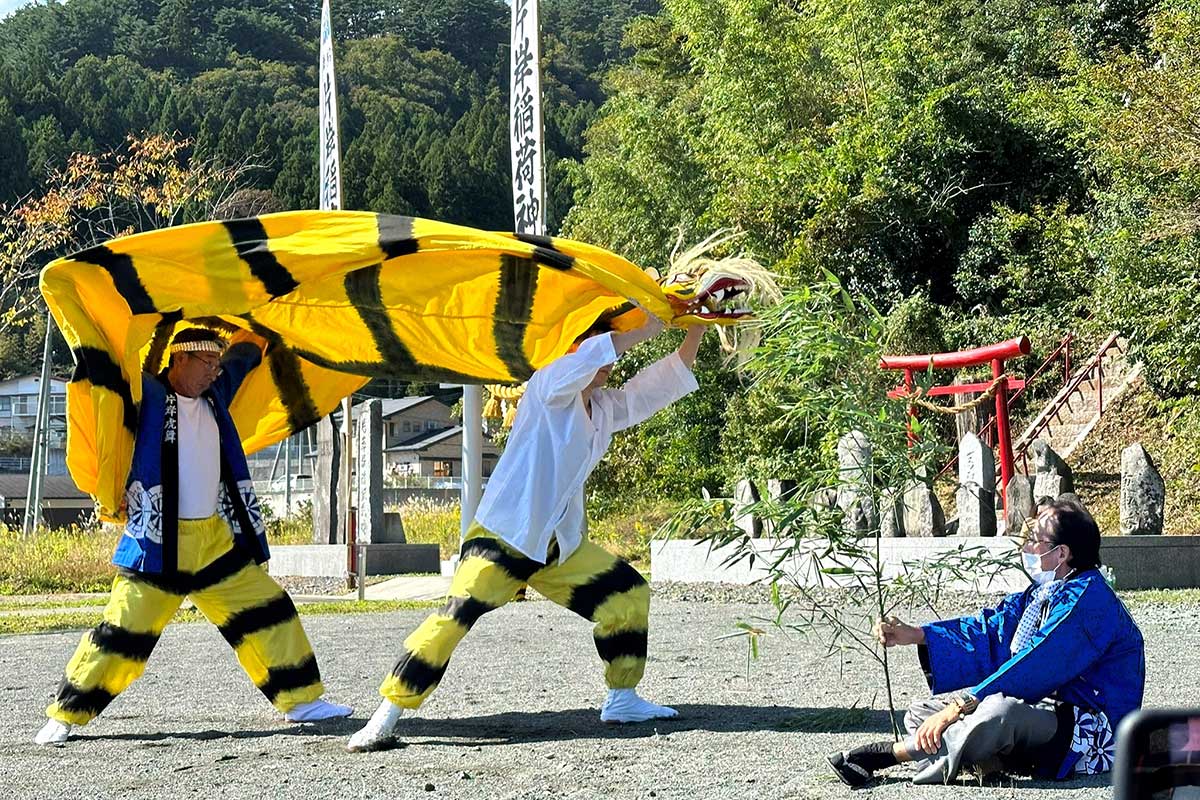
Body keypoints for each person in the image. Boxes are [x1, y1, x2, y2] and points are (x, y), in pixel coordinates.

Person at [348, 314, 704, 752]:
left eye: (602, 341)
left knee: (627, 596)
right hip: (504, 534)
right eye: (591, 341)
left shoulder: (604, 408)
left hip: (557, 545)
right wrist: (654, 319)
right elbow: (598, 352)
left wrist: (695, 326)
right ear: (571, 350)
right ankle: (388, 712)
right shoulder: (548, 389)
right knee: (455, 617)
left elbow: (656, 387)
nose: (605, 356)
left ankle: (622, 698)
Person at [35, 328, 351, 746]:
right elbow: (113, 365)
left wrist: (262, 325)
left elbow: (241, 359)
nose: (214, 372)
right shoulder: (146, 393)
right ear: (179, 359)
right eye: (206, 363)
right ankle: (67, 713)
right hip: (158, 541)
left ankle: (300, 701)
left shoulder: (215, 395)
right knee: (121, 631)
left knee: (270, 609)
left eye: (216, 365)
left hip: (214, 540)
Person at [827, 499, 1145, 787]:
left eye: (1037, 540)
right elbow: (991, 630)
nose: (1028, 546)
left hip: (1088, 727)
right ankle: (987, 757)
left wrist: (960, 706)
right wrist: (918, 635)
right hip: (1043, 711)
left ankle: (885, 755)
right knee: (922, 713)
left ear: (1061, 553)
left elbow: (1036, 662)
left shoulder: (1088, 601)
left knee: (997, 712)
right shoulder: (1042, 594)